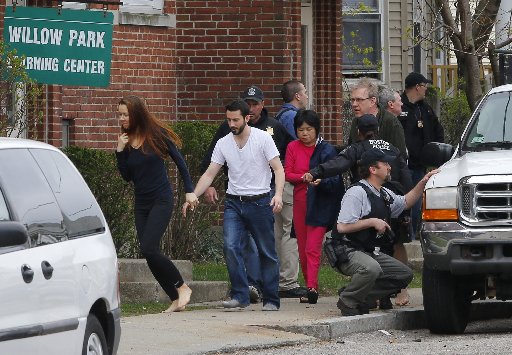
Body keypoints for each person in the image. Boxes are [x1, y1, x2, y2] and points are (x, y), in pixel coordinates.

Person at [303, 114, 412, 308]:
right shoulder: (391, 149)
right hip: (393, 203)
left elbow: (338, 164)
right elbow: (405, 174)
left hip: (370, 201)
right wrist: (405, 212)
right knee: (386, 247)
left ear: (359, 132)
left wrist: (316, 172)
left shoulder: (358, 148)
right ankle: (381, 298)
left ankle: (364, 295)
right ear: (377, 129)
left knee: (369, 244)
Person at [184, 99, 283, 311]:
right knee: (230, 246)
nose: (231, 124)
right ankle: (240, 295)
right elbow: (210, 173)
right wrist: (193, 194)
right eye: (228, 120)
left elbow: (278, 169)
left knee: (266, 251)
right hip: (233, 203)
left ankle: (272, 299)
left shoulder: (263, 138)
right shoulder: (223, 143)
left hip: (260, 201)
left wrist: (279, 195)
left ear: (247, 118)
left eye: (235, 120)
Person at [115, 95, 198, 313]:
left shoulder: (155, 135)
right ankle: (174, 298)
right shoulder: (126, 140)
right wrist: (119, 151)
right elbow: (127, 177)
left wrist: (189, 191)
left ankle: (182, 287)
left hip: (161, 199)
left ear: (136, 114)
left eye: (125, 114)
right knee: (148, 252)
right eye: (120, 114)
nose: (122, 118)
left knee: (149, 247)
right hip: (141, 203)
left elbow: (180, 162)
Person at [334, 148, 439, 316]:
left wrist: (423, 182)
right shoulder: (356, 192)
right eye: (385, 164)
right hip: (347, 250)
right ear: (373, 169)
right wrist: (372, 221)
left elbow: (405, 202)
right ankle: (348, 300)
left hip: (369, 251)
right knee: (372, 269)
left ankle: (360, 295)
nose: (389, 167)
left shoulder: (383, 193)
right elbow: (342, 227)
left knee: (404, 274)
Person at [285, 110, 343, 304]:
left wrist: (315, 178)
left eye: (309, 129)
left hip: (320, 202)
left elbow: (333, 175)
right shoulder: (292, 147)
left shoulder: (326, 150)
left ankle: (312, 287)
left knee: (312, 246)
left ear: (317, 130)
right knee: (301, 247)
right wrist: (306, 177)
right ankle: (309, 285)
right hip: (300, 202)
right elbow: (288, 174)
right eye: (300, 129)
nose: (304, 133)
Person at [274, 80, 310, 299]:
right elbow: (303, 145)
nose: (306, 95)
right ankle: (287, 281)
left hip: (280, 181)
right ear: (297, 96)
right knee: (291, 231)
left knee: (280, 232)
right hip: (290, 182)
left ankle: (279, 278)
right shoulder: (291, 118)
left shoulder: (279, 117)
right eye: (304, 92)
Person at [399, 72, 444, 239]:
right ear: (417, 87)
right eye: (424, 86)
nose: (426, 90)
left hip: (420, 167)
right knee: (403, 204)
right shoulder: (399, 107)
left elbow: (438, 131)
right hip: (403, 166)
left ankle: (413, 238)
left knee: (417, 206)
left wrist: (437, 157)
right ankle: (404, 239)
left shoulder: (425, 109)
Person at [378, 87, 411, 306]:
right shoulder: (384, 121)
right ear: (389, 103)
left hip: (394, 186)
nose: (402, 104)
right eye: (399, 100)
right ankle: (382, 289)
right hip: (378, 186)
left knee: (398, 240)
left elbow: (399, 159)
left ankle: (402, 289)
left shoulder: (391, 123)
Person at [347, 77, 407, 158]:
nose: (354, 104)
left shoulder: (390, 122)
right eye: (352, 100)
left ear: (372, 101)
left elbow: (400, 157)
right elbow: (351, 151)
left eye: (359, 100)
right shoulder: (356, 121)